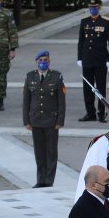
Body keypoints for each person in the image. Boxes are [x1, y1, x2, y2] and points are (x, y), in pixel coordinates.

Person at [22, 50, 65, 188]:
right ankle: (40, 179)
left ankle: (49, 180)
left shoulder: (56, 77)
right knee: (39, 152)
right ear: (36, 62)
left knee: (51, 152)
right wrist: (26, 121)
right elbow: (26, 101)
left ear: (49, 62)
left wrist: (60, 121)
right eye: (40, 60)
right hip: (35, 120)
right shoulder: (30, 77)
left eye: (45, 59)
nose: (43, 62)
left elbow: (61, 101)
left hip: (51, 120)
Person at [77, 0, 109, 122]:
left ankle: (101, 113)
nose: (92, 9)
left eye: (95, 7)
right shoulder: (84, 21)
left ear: (99, 8)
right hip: (87, 59)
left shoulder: (106, 22)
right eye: (90, 7)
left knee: (100, 88)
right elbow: (81, 41)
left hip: (100, 59)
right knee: (87, 88)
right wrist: (80, 57)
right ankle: (90, 113)